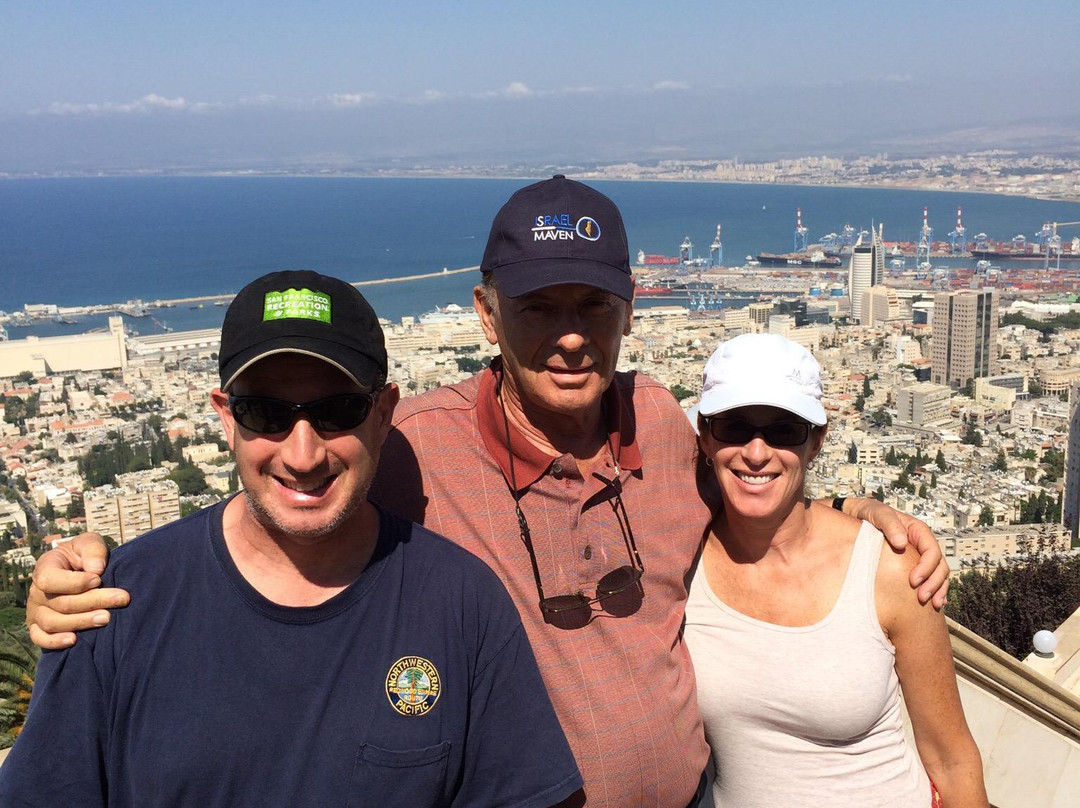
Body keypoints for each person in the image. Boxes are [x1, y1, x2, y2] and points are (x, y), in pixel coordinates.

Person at [25, 178, 950, 808]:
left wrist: (860, 516)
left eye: (593, 307)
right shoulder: (410, 447)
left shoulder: (667, 426)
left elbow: (763, 494)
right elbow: (285, 491)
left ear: (631, 309)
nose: (571, 337)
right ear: (485, 312)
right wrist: (98, 574)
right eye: (539, 306)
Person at [0, 270, 583, 808]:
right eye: (265, 413)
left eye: (338, 411)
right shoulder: (116, 606)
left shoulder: (459, 603)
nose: (303, 455)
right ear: (226, 417)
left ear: (383, 414)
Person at [684, 333, 987, 807]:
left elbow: (951, 757)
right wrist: (854, 503)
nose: (757, 452)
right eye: (734, 427)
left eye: (784, 430)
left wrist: (856, 508)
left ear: (817, 441)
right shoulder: (679, 563)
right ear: (704, 435)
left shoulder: (888, 569)